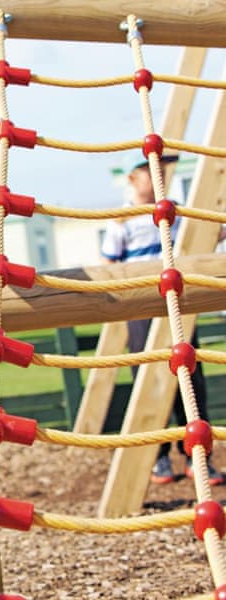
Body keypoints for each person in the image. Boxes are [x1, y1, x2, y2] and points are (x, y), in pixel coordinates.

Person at [101, 152, 224, 486]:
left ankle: (197, 458)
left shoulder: (175, 213)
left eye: (162, 172)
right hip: (143, 308)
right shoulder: (123, 220)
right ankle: (157, 460)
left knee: (192, 382)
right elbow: (109, 264)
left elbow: (212, 233)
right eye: (148, 173)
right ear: (132, 179)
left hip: (179, 307)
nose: (158, 178)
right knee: (148, 381)